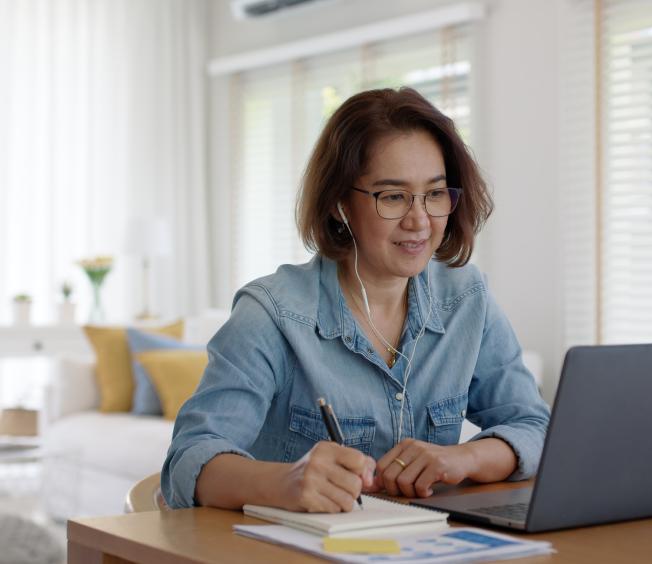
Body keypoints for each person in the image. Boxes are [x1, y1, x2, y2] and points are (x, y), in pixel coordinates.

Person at [162, 87, 550, 513]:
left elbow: (534, 425)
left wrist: (464, 456)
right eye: (394, 196)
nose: (420, 220)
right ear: (339, 204)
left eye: (435, 194)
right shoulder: (271, 315)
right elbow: (189, 459)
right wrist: (285, 482)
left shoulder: (466, 299)